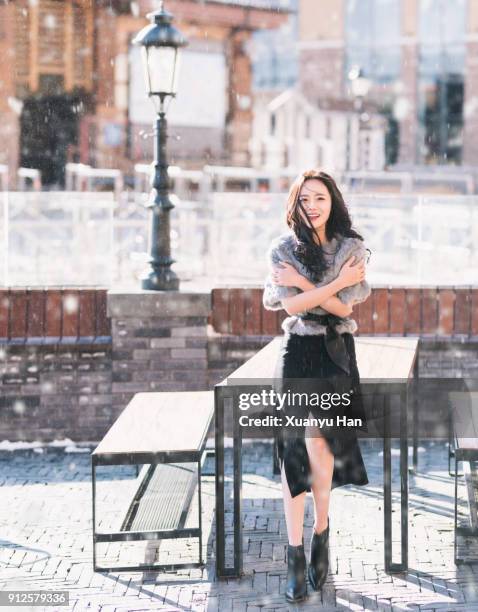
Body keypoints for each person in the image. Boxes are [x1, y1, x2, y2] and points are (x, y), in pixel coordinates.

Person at [262, 169, 372, 603]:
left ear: (333, 200)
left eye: (320, 197)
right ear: (295, 203)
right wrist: (331, 285)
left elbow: (343, 306)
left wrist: (327, 288)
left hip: (336, 353)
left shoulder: (351, 247)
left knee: (323, 447)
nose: (312, 204)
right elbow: (290, 305)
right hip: (298, 353)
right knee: (295, 452)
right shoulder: (282, 249)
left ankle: (321, 532)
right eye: (304, 197)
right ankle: (294, 552)